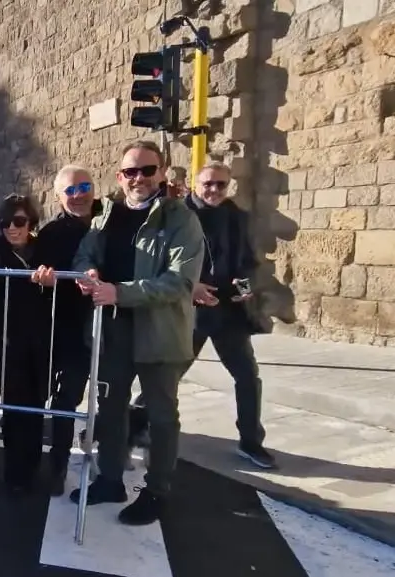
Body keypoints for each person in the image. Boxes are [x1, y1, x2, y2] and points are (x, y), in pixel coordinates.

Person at [68, 140, 205, 526]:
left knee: (161, 417)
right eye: (131, 171)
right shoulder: (106, 215)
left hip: (159, 333)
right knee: (111, 410)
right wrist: (88, 273)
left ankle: (157, 490)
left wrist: (119, 292)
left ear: (162, 173)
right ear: (120, 176)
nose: (139, 178)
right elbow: (85, 254)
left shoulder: (180, 219)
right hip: (112, 332)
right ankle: (110, 479)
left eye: (148, 170)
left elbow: (179, 282)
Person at [184, 161, 276, 469]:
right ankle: (138, 423)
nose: (214, 190)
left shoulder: (237, 217)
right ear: (196, 183)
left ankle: (251, 442)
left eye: (221, 184)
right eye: (208, 183)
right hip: (189, 310)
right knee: (167, 376)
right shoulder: (179, 215)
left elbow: (248, 260)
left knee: (247, 377)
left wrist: (246, 287)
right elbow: (161, 262)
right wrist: (190, 286)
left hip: (229, 312)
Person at [0, 194, 54, 496]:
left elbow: (58, 298)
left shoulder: (45, 253)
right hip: (6, 344)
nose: (12, 229)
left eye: (19, 222)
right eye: (6, 223)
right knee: (14, 409)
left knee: (36, 407)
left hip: (40, 343)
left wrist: (49, 285)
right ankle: (14, 471)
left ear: (32, 223)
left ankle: (31, 465)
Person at [31, 166, 102, 496]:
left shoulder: (112, 221)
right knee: (65, 401)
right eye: (70, 190)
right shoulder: (50, 234)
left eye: (84, 187)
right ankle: (57, 466)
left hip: (111, 326)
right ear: (59, 197)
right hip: (67, 331)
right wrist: (45, 284)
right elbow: (38, 287)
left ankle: (109, 461)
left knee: (112, 397)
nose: (78, 195)